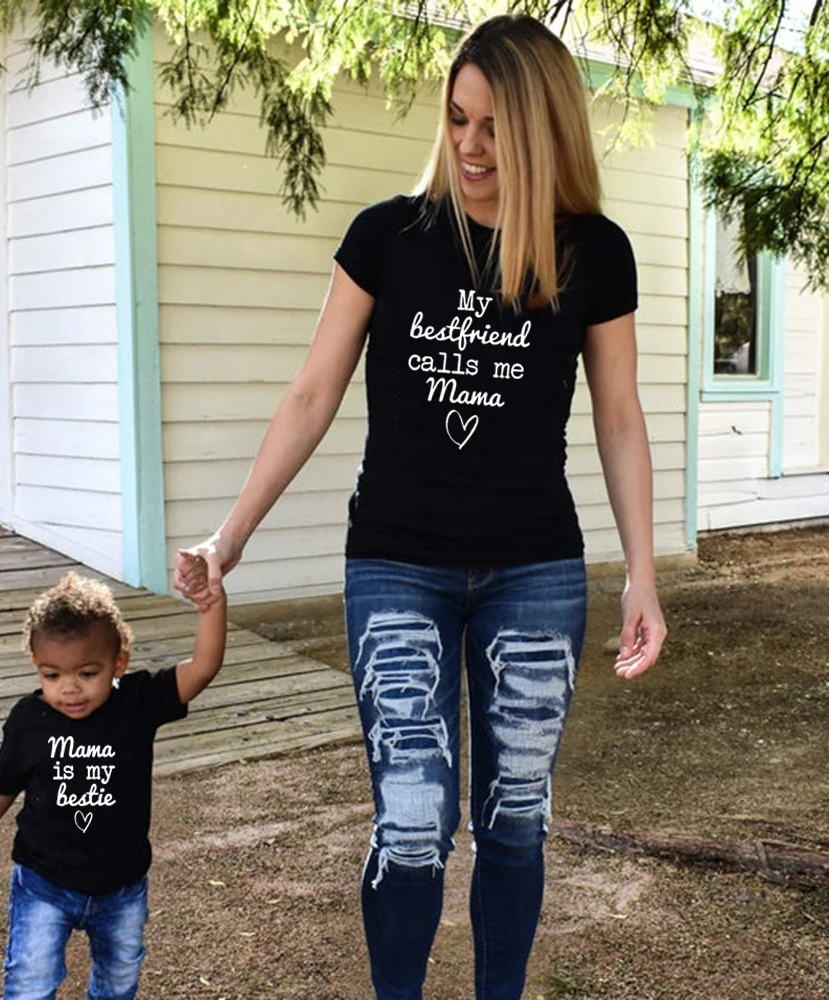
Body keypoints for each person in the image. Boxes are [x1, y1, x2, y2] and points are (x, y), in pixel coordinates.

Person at [175, 13, 666, 1000]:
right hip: (397, 564)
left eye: (495, 129)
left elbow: (619, 417)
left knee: (515, 819)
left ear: (544, 132)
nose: (471, 147)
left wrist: (642, 578)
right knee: (410, 823)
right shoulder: (387, 237)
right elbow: (311, 394)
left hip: (536, 572)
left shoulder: (594, 253)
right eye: (457, 120)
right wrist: (229, 537)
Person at [0, 571, 226, 1000]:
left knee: (118, 982)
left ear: (119, 663)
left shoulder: (138, 702)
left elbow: (202, 669)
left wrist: (211, 607)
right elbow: (3, 781)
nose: (69, 689)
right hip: (43, 883)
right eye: (52, 675)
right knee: (29, 983)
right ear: (37, 665)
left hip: (121, 886)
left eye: (87, 673)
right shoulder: (29, 720)